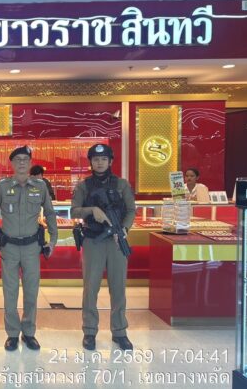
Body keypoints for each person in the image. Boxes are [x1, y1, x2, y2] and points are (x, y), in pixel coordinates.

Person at [0, 145, 58, 351]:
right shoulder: (2, 186)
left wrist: (52, 240)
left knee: (31, 291)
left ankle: (28, 332)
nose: (21, 163)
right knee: (10, 292)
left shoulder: (40, 186)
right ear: (11, 163)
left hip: (31, 248)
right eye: (17, 159)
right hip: (8, 247)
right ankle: (12, 334)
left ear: (30, 162)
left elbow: (50, 213)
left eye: (25, 159)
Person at [70, 143, 136, 351]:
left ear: (110, 161)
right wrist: (91, 211)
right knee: (91, 288)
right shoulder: (84, 186)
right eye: (96, 159)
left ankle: (120, 331)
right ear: (91, 162)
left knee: (118, 287)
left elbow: (131, 210)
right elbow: (74, 211)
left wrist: (124, 228)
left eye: (103, 159)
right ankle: (89, 331)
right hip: (93, 241)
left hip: (116, 240)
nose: (100, 163)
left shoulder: (121, 185)